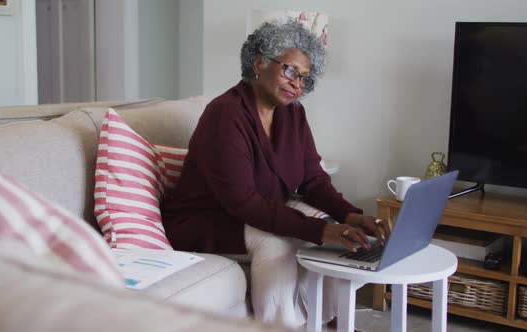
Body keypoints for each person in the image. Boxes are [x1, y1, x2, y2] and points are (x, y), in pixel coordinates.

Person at [161, 19, 390, 329]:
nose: (297, 84)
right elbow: (243, 203)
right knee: (278, 242)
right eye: (290, 71)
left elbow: (313, 179)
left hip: (252, 213)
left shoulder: (294, 114)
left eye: (305, 79)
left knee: (331, 226)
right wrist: (319, 232)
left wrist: (348, 215)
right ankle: (276, 324)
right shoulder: (225, 114)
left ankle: (331, 319)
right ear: (259, 62)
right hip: (203, 220)